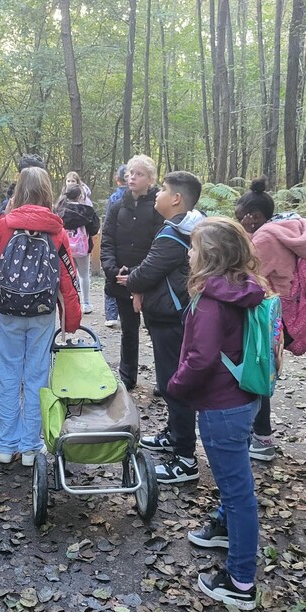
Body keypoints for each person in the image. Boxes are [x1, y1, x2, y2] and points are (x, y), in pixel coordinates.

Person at [168, 217, 267, 611]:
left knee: (238, 491)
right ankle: (224, 527)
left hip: (222, 406)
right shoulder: (243, 288)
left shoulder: (211, 299)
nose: (189, 254)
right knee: (235, 479)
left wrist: (175, 386)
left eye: (193, 248)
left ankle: (240, 581)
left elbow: (200, 358)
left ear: (208, 256)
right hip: (244, 397)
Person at [0, 167, 81, 466]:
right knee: (37, 377)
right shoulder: (57, 230)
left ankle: (5, 445)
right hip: (42, 312)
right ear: (48, 192)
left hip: (8, 310)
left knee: (8, 377)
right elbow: (68, 277)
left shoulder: (5, 225)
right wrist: (72, 320)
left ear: (18, 192)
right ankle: (30, 447)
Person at [126, 172, 204, 484]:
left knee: (174, 384)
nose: (157, 194)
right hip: (174, 315)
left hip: (172, 318)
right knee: (171, 381)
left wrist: (130, 281)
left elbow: (146, 273)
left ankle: (185, 459)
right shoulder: (192, 225)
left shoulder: (174, 234)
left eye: (163, 190)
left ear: (176, 199)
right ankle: (174, 435)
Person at [235, 176, 306, 462]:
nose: (236, 214)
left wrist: (245, 236)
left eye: (239, 210)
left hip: (267, 312)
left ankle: (261, 438)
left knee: (258, 370)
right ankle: (260, 435)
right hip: (279, 309)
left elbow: (244, 273)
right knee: (262, 367)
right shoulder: (281, 230)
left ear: (253, 216)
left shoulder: (265, 237)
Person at [101, 155, 163, 390]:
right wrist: (111, 269)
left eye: (139, 174)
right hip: (121, 279)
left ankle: (163, 378)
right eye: (130, 173)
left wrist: (140, 273)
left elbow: (160, 244)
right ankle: (127, 377)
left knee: (156, 330)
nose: (133, 178)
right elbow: (107, 240)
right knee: (128, 329)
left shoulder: (158, 206)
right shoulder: (117, 206)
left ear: (150, 178)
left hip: (151, 280)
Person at [55, 184, 100, 314]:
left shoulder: (59, 210)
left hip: (64, 247)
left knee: (67, 275)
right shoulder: (87, 211)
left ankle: (68, 303)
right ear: (80, 196)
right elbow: (94, 229)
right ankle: (85, 303)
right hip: (82, 248)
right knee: (84, 275)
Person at [104, 165, 127, 328]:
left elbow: (108, 222)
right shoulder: (138, 196)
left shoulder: (114, 198)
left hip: (116, 244)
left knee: (112, 276)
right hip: (131, 246)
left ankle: (111, 315)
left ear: (117, 180)